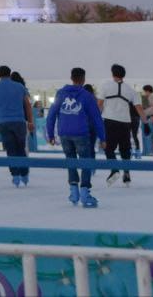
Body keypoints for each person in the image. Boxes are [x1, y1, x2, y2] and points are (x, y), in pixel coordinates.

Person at [46, 67, 105, 208]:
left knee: (70, 161)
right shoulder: (87, 95)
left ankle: (73, 192)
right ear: (83, 79)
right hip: (81, 133)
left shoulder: (60, 93)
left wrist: (51, 134)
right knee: (86, 162)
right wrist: (103, 138)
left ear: (71, 78)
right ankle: (85, 192)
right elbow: (97, 118)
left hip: (64, 133)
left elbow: (51, 114)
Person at [0, 65, 34, 186]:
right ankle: (24, 174)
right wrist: (30, 121)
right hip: (19, 121)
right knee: (21, 148)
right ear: (10, 73)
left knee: (11, 149)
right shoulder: (20, 87)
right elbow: (27, 105)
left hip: (4, 123)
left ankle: (15, 175)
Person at [101, 63, 142, 186]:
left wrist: (95, 118)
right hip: (125, 122)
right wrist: (144, 120)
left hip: (109, 121)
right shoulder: (131, 90)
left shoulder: (106, 86)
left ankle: (114, 170)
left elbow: (99, 103)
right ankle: (127, 173)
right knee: (125, 149)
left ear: (112, 74)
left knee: (109, 148)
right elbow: (139, 107)